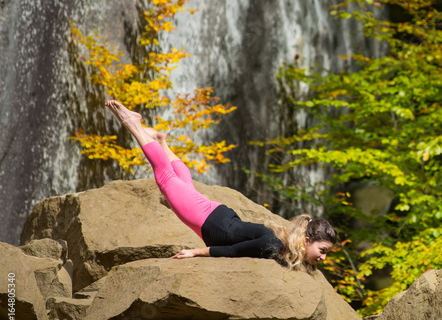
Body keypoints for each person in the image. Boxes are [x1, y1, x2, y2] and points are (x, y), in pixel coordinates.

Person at [105, 100, 337, 271]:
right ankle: (133, 124)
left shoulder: (285, 244)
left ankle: (161, 142)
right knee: (167, 180)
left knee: (185, 185)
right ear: (306, 241)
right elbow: (233, 251)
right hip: (212, 223)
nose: (324, 258)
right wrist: (195, 252)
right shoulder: (274, 244)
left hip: (219, 218)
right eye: (322, 251)